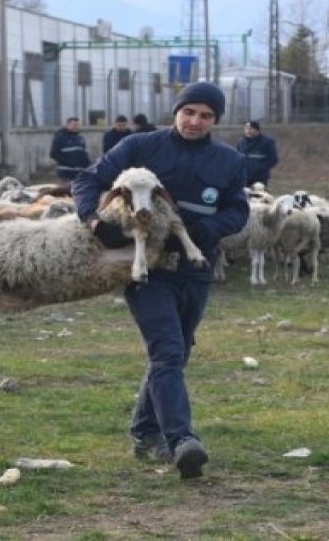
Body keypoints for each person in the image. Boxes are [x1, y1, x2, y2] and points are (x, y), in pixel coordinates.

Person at [72, 81, 249, 480]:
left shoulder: (228, 162)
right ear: (176, 112)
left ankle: (143, 430)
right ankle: (181, 440)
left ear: (215, 121)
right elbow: (87, 180)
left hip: (193, 264)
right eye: (189, 112)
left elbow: (238, 209)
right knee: (167, 349)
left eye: (206, 116)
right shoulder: (139, 148)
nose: (195, 121)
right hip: (145, 266)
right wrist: (95, 220)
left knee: (178, 350)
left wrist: (209, 229)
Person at [234, 120, 279, 188]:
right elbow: (237, 157)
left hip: (260, 178)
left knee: (258, 196)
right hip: (244, 177)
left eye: (250, 129)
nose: (248, 131)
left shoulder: (267, 142)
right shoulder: (241, 142)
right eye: (246, 129)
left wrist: (260, 168)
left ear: (257, 130)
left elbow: (273, 159)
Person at [49, 116, 91, 182]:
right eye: (73, 124)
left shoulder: (80, 139)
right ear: (67, 125)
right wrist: (68, 162)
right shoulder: (60, 137)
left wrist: (87, 166)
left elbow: (84, 155)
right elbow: (53, 154)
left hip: (79, 174)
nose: (75, 126)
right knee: (65, 192)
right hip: (66, 174)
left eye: (77, 125)